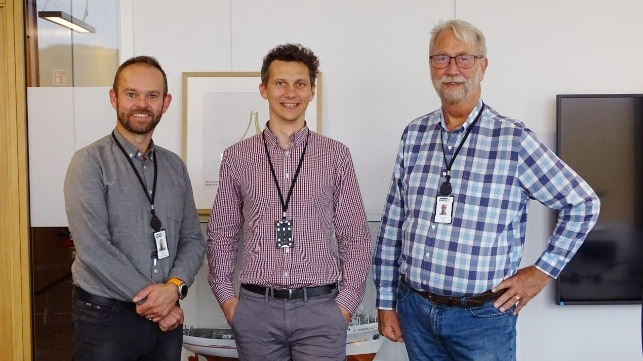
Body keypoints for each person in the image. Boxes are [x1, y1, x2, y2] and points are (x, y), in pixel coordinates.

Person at [373, 19, 600, 361]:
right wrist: (387, 302)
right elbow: (393, 225)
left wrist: (541, 274)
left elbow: (583, 203)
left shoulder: (514, 140)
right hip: (415, 311)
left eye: (464, 58)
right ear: (431, 66)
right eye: (441, 58)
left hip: (482, 320)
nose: (452, 69)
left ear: (483, 66)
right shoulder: (414, 135)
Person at [207, 43, 372, 361]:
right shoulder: (237, 158)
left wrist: (346, 305)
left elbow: (355, 236)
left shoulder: (336, 155)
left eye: (300, 84)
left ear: (312, 90)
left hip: (322, 312)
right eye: (280, 83)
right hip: (256, 313)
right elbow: (221, 235)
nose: (290, 93)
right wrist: (229, 302)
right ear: (263, 89)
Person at [64, 55, 206, 361]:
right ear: (114, 98)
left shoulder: (174, 167)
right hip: (106, 317)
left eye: (151, 96)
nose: (141, 104)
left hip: (166, 316)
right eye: (131, 94)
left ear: (165, 103)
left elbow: (193, 240)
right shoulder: (89, 163)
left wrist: (173, 289)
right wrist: (157, 304)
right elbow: (93, 248)